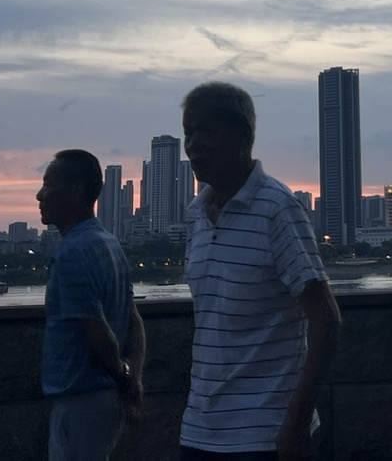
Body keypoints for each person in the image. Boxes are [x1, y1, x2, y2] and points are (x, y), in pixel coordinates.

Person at [180, 81, 341, 461]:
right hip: (200, 430)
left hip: (266, 435)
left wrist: (296, 423)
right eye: (188, 133)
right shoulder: (196, 214)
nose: (192, 145)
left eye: (204, 131)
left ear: (242, 136)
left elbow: (326, 319)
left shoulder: (277, 209)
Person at [37, 148, 146, 461]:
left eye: (47, 185)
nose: (39, 195)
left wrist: (125, 379)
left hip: (81, 400)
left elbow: (96, 331)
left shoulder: (72, 252)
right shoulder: (110, 244)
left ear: (74, 192)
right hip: (103, 400)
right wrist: (134, 375)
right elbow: (133, 320)